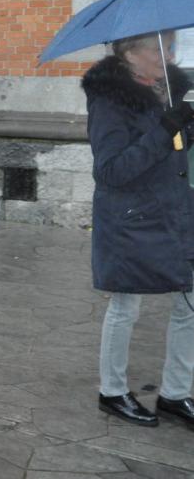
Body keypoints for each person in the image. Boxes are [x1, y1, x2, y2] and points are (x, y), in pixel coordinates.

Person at [83, 31, 194, 429]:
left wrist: (184, 133)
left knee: (190, 301)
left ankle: (175, 394)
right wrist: (165, 131)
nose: (170, 53)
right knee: (126, 306)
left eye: (171, 45)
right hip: (132, 218)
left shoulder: (170, 90)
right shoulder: (111, 99)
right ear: (131, 53)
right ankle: (112, 391)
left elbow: (170, 153)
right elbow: (111, 170)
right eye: (161, 47)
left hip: (174, 213)